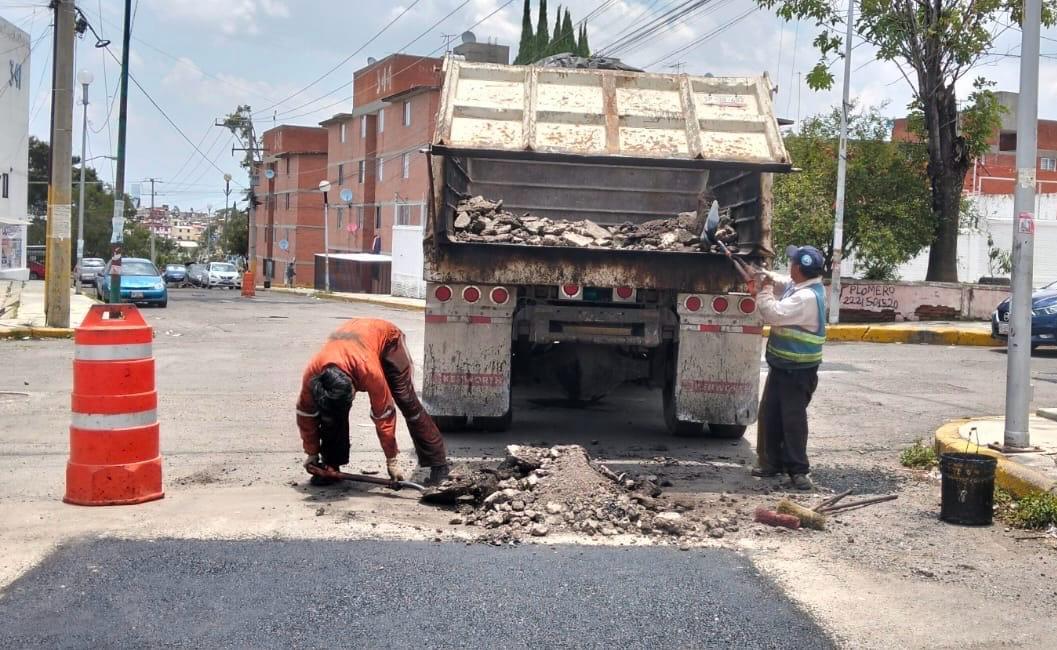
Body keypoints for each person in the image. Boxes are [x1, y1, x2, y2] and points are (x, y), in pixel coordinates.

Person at [295, 318, 450, 486]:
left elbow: (384, 414)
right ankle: (331, 466)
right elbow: (305, 415)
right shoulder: (312, 375)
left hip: (388, 341)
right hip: (355, 343)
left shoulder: (368, 371)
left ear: (353, 384)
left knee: (407, 401)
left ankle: (438, 465)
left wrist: (391, 459)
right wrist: (311, 453)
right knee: (332, 413)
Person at [749, 245, 827, 491]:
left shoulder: (806, 298)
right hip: (783, 366)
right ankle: (771, 463)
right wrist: (765, 275)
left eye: (792, 262)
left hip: (798, 371)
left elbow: (774, 314)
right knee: (770, 414)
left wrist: (764, 289)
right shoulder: (802, 285)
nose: (789, 265)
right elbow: (784, 282)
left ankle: (798, 471)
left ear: (799, 268)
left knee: (792, 421)